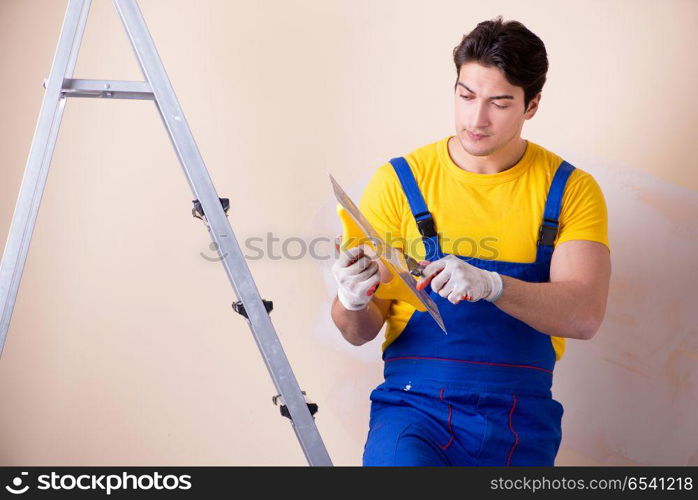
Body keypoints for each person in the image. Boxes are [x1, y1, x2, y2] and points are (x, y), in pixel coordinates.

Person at [330, 16, 611, 466]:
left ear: (532, 105)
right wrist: (353, 298)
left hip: (521, 420)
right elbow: (357, 331)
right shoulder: (398, 183)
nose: (475, 119)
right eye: (465, 96)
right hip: (413, 410)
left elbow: (584, 316)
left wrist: (493, 285)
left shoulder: (570, 191)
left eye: (499, 103)